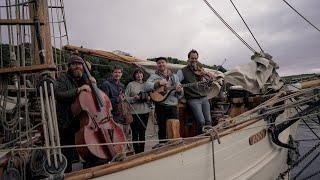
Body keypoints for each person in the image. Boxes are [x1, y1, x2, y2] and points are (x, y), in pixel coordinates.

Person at [55, 55, 96, 172]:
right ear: (69, 67)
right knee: (67, 153)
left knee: (88, 150)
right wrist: (78, 90)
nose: (77, 67)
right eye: (74, 64)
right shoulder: (62, 79)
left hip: (83, 121)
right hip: (67, 122)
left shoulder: (84, 78)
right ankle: (67, 174)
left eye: (79, 64)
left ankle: (89, 172)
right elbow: (59, 95)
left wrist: (93, 84)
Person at [177, 49, 216, 134]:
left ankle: (209, 137)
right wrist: (178, 87)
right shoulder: (182, 71)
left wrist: (209, 78)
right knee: (201, 121)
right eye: (192, 58)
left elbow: (208, 84)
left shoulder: (200, 69)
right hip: (193, 99)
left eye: (195, 58)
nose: (194, 60)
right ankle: (200, 138)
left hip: (204, 97)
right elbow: (177, 82)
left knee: (209, 121)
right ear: (188, 59)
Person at [145, 57, 183, 143]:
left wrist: (180, 91)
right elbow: (146, 86)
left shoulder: (174, 77)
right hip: (160, 105)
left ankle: (174, 144)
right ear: (157, 65)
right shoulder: (154, 76)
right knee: (161, 127)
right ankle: (162, 145)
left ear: (166, 63)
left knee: (174, 125)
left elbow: (180, 95)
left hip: (172, 105)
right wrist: (158, 83)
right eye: (159, 63)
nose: (161, 64)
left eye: (163, 62)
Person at [100, 66, 133, 151]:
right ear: (112, 73)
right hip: (112, 117)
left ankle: (124, 154)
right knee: (115, 140)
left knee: (125, 138)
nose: (117, 74)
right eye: (115, 72)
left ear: (121, 74)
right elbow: (103, 101)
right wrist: (117, 99)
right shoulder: (106, 84)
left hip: (122, 116)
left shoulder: (121, 85)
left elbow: (123, 100)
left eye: (119, 72)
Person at [125, 68, 151, 153]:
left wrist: (148, 98)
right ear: (134, 75)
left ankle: (142, 152)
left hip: (145, 112)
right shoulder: (130, 84)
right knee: (135, 134)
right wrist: (134, 98)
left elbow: (153, 97)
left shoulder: (147, 84)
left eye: (140, 73)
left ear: (143, 75)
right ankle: (137, 152)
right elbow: (125, 98)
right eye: (137, 73)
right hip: (134, 113)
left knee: (143, 133)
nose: (139, 75)